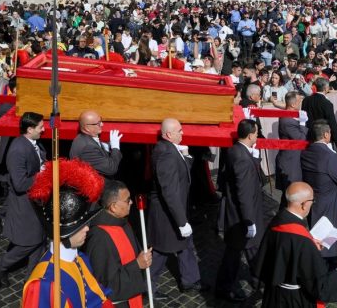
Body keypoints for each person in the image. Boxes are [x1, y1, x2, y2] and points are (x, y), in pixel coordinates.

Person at [21, 158, 111, 307]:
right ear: (64, 232)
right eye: (80, 226)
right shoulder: (43, 285)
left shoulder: (80, 258)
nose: (87, 229)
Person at [253, 181, 337, 306]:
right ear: (303, 204)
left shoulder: (278, 220)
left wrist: (308, 245)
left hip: (274, 294)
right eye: (312, 201)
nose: (312, 204)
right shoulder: (303, 241)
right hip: (294, 300)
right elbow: (320, 287)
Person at [147, 118, 202, 292]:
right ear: (169, 134)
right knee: (162, 250)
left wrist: (185, 157)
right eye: (179, 130)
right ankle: (146, 286)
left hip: (175, 210)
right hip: (167, 213)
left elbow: (180, 173)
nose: (182, 133)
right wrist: (181, 221)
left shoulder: (169, 149)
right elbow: (169, 190)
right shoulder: (166, 153)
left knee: (185, 245)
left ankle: (190, 280)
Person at [215, 119, 265, 302]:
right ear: (251, 134)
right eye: (257, 132)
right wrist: (249, 221)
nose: (258, 135)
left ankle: (258, 280)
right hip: (242, 217)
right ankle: (225, 288)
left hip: (238, 215)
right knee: (236, 254)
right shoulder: (243, 159)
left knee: (246, 250)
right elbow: (244, 193)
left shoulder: (236, 150)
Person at [80, 180, 152, 308]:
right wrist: (137, 264)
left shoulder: (121, 222)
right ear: (113, 207)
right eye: (127, 200)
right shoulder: (99, 237)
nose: (131, 202)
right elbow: (107, 284)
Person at [0, 112, 48, 279]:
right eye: (40, 127)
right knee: (29, 243)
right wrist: (41, 174)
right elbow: (20, 184)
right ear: (29, 129)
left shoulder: (34, 143)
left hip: (36, 202)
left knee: (40, 242)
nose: (44, 130)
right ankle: (1, 267)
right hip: (24, 205)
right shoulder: (18, 149)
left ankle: (33, 280)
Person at [301, 121, 337, 266]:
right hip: (329, 205)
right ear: (326, 135)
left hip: (313, 202)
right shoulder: (330, 157)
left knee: (315, 236)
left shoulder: (306, 152)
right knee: (328, 244)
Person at [69, 109, 122, 179]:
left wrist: (104, 146)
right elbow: (111, 169)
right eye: (98, 123)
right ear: (87, 128)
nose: (102, 124)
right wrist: (115, 148)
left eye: (101, 121)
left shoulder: (83, 137)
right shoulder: (88, 148)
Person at [302, 77, 337, 155]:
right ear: (326, 88)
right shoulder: (327, 103)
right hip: (323, 138)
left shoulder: (306, 100)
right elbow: (332, 124)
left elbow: (303, 120)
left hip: (309, 137)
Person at [274, 91, 307, 191]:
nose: (300, 103)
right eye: (299, 101)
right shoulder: (287, 121)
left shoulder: (288, 115)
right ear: (293, 104)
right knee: (291, 193)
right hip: (290, 163)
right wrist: (302, 124)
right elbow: (301, 139)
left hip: (293, 159)